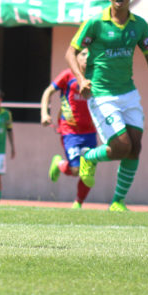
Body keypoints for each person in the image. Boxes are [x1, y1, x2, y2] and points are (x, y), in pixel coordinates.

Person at [67, 0, 148, 212]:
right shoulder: (95, 23)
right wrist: (81, 79)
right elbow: (70, 53)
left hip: (128, 94)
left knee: (135, 147)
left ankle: (117, 202)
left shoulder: (139, 25)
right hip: (102, 95)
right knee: (122, 146)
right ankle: (89, 157)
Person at [40, 48, 96, 209]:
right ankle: (59, 164)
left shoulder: (95, 77)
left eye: (89, 54)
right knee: (75, 169)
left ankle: (78, 203)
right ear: (76, 57)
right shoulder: (67, 75)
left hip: (90, 131)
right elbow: (48, 92)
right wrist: (45, 113)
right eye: (83, 54)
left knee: (88, 171)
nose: (87, 57)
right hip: (70, 130)